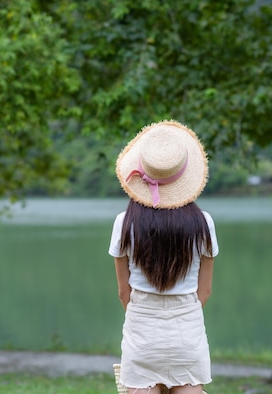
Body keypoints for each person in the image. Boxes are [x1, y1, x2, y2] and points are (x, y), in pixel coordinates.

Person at [108, 120, 219, 394]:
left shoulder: (124, 222)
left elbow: (124, 293)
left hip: (141, 330)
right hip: (187, 331)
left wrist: (147, 320)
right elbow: (204, 291)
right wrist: (179, 316)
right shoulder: (204, 222)